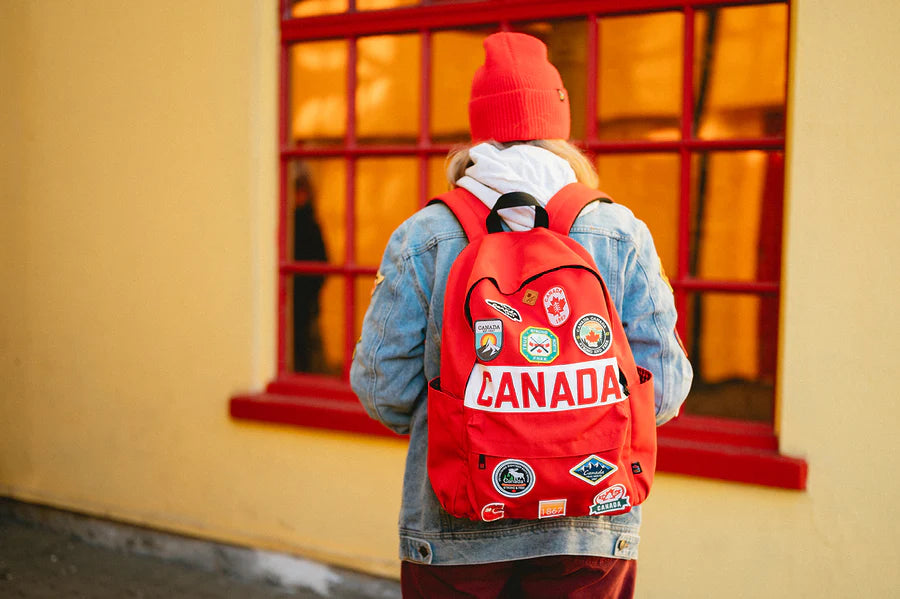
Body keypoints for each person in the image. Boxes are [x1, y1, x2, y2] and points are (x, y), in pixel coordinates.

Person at [350, 31, 692, 599]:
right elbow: (666, 390)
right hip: (591, 526)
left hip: (456, 523)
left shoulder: (425, 236)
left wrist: (480, 423)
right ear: (559, 123)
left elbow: (381, 386)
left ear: (478, 128)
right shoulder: (619, 232)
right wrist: (567, 429)